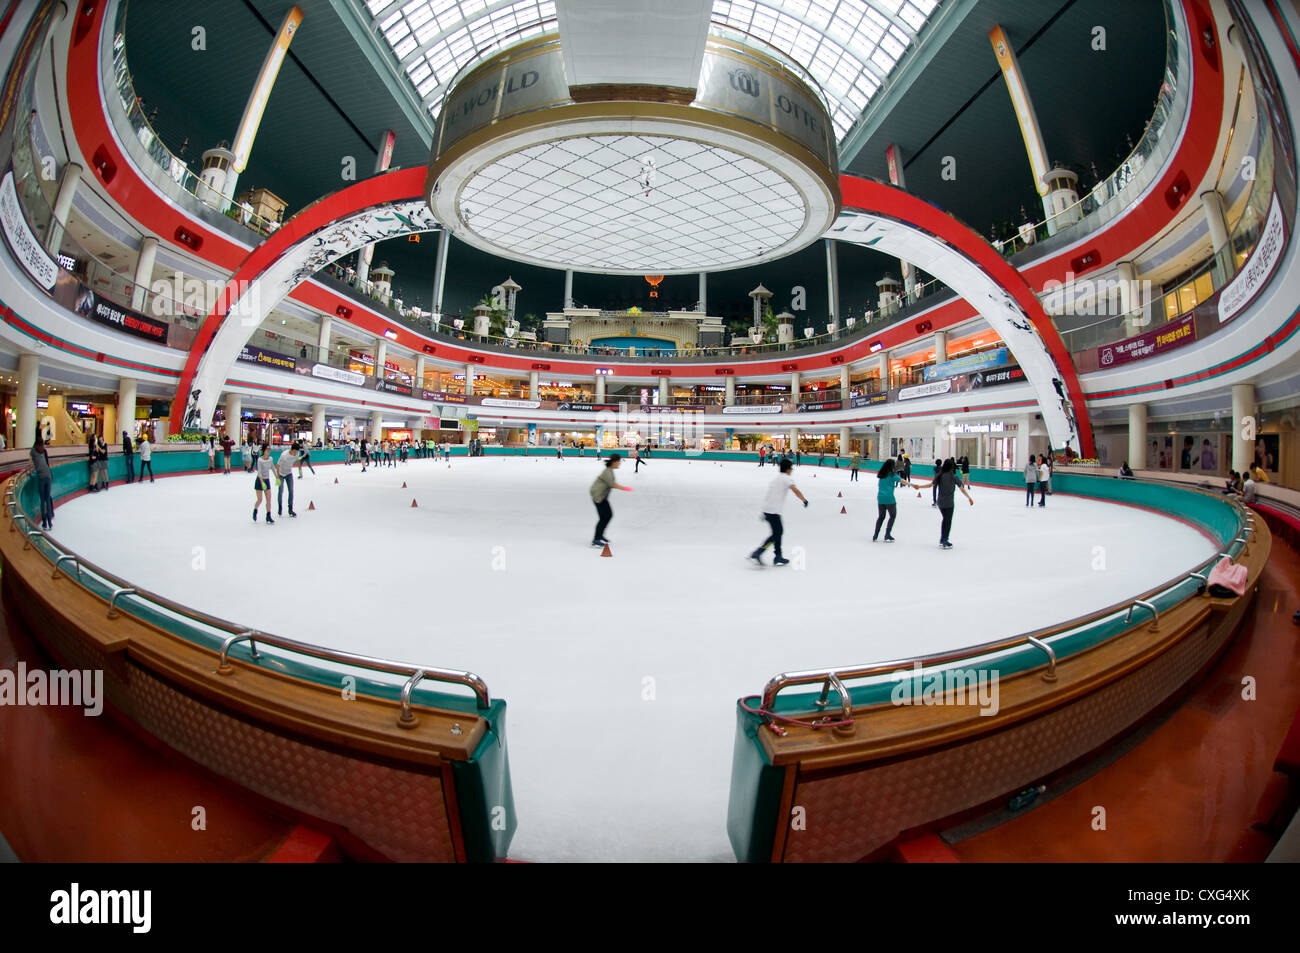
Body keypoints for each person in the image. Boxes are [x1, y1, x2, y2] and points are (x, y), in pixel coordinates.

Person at [750, 459, 807, 566]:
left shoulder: (776, 479)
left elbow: (770, 494)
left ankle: (778, 556)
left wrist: (764, 512)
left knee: (777, 533)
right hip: (773, 511)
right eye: (791, 468)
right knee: (777, 534)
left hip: (768, 509)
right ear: (788, 469)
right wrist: (804, 500)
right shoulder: (786, 478)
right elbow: (795, 490)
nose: (792, 470)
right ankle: (758, 552)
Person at [917, 458, 973, 549]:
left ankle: (943, 539)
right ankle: (944, 539)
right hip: (949, 503)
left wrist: (919, 487)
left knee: (945, 519)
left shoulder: (940, 475)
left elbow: (930, 485)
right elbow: (962, 488)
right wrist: (969, 498)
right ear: (951, 467)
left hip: (941, 502)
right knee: (947, 521)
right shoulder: (953, 476)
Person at [590, 453, 629, 547]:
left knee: (607, 516)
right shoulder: (607, 471)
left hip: (602, 497)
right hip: (598, 497)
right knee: (604, 517)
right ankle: (596, 540)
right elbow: (612, 484)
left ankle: (600, 536)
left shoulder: (610, 470)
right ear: (614, 462)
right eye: (618, 461)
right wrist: (625, 488)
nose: (619, 463)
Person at [872, 458, 915, 542]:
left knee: (881, 517)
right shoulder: (892, 475)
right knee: (892, 515)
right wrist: (912, 484)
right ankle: (887, 534)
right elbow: (902, 480)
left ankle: (876, 534)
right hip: (889, 498)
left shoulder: (881, 474)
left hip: (880, 498)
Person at [31, 434, 54, 530]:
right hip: (48, 476)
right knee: (47, 498)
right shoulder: (44, 451)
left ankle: (44, 522)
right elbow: (47, 464)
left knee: (43, 500)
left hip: (41, 477)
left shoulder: (33, 451)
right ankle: (49, 521)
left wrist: (30, 471)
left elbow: (30, 463)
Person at [253, 444, 275, 524]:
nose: (269, 450)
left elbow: (272, 468)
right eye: (267, 449)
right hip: (260, 480)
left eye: (270, 449)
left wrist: (277, 477)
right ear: (264, 450)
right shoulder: (260, 460)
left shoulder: (270, 459)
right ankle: (255, 510)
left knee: (268, 499)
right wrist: (262, 482)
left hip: (267, 480)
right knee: (260, 499)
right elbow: (259, 472)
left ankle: (268, 515)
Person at [276, 442, 299, 518]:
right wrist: (277, 477)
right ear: (292, 450)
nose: (296, 453)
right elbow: (277, 466)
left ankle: (290, 509)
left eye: (297, 452)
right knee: (280, 491)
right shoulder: (284, 455)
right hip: (281, 474)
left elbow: (297, 460)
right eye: (295, 451)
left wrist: (299, 468)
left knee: (291, 491)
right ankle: (280, 507)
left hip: (289, 474)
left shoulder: (296, 454)